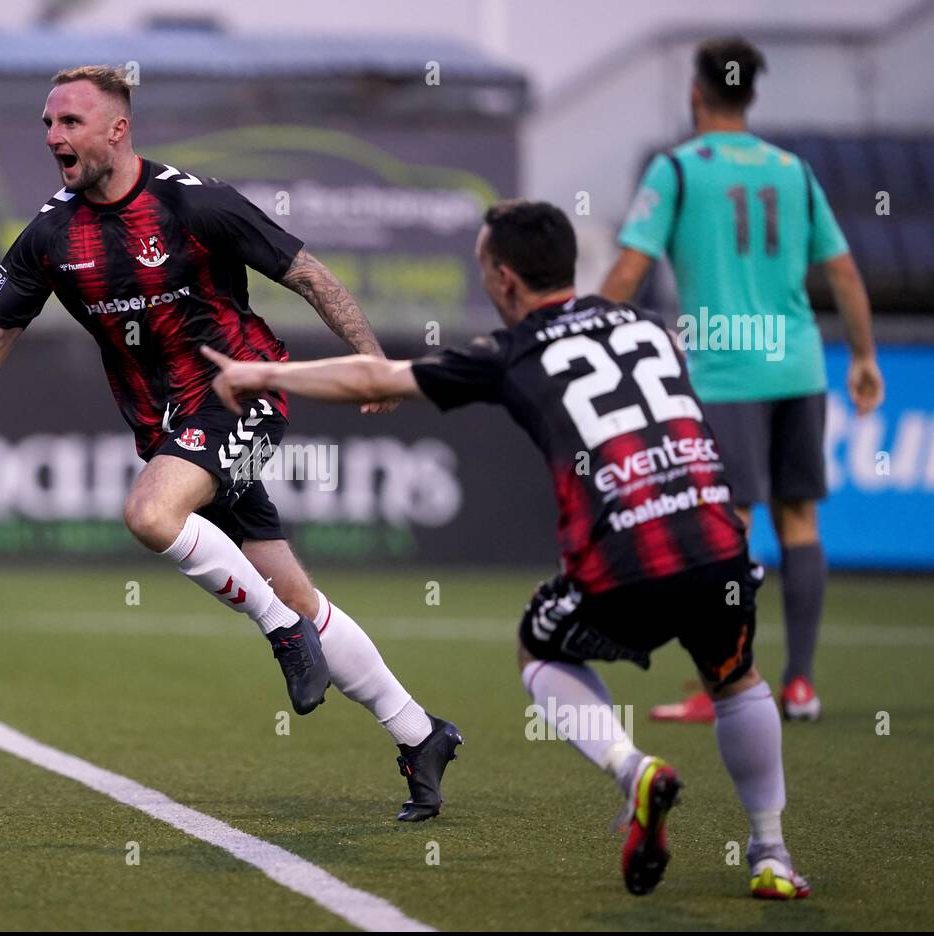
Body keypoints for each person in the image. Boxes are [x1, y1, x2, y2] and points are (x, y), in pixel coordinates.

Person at [0, 66, 462, 822]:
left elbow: (310, 276)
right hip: (166, 428)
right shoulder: (50, 236)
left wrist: (372, 365)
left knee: (152, 515)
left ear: (117, 129)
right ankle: (421, 734)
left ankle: (284, 635)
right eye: (48, 122)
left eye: (70, 122)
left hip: (241, 394)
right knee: (294, 589)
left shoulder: (196, 202)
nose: (54, 135)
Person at [206, 200, 811, 899]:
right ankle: (770, 852)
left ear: (505, 280)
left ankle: (632, 768)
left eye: (483, 268)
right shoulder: (646, 324)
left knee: (541, 648)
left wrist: (267, 375)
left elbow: (379, 379)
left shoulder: (511, 350)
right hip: (717, 542)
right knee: (736, 679)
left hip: (628, 557)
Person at [601, 36, 884, 723]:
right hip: (799, 365)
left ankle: (729, 684)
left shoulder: (676, 169)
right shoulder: (793, 170)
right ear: (750, 95)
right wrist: (865, 356)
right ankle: (801, 685)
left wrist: (584, 333)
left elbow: (631, 272)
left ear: (696, 92)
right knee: (800, 517)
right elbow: (843, 271)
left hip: (726, 373)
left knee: (730, 527)